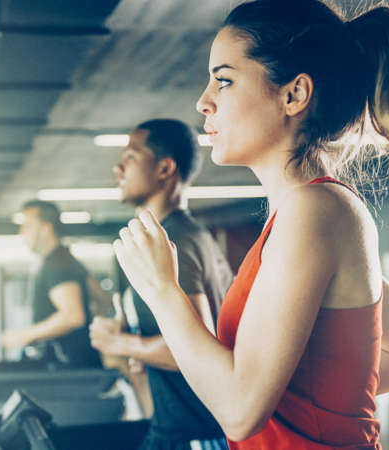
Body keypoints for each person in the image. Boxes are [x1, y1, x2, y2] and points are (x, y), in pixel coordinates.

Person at [112, 1, 389, 449]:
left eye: (224, 81)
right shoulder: (306, 213)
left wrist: (162, 291)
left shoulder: (315, 211)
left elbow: (238, 413)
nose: (203, 101)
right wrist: (285, 393)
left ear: (293, 95)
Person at [89, 119, 234, 450]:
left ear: (165, 168)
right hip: (173, 428)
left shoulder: (177, 241)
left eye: (131, 157)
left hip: (198, 433)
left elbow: (197, 348)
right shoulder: (164, 238)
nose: (118, 167)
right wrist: (140, 346)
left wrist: (122, 344)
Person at [1, 200, 101, 368]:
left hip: (70, 369)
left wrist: (24, 335)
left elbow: (73, 316)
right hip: (77, 364)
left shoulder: (57, 264)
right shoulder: (65, 259)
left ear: (46, 229)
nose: (21, 232)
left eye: (27, 226)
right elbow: (101, 299)